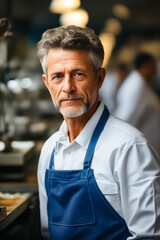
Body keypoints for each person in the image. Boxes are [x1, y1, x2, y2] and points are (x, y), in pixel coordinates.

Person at [37, 25, 160, 240]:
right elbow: (48, 233)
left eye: (78, 74)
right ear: (47, 84)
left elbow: (149, 237)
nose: (68, 87)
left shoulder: (129, 147)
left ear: (100, 78)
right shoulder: (49, 151)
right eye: (57, 76)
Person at [113, 52, 160, 156]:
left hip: (148, 152)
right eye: (154, 66)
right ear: (148, 66)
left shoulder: (140, 83)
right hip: (141, 154)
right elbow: (126, 120)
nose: (156, 70)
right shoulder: (136, 88)